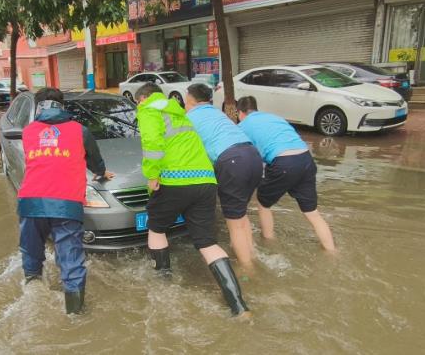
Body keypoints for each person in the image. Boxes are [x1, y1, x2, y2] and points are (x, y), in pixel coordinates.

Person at [135, 82, 250, 317]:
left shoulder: (148, 109)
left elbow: (153, 145)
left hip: (174, 181)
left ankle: (163, 289)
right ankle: (239, 307)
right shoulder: (180, 112)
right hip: (206, 181)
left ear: (142, 98)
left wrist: (152, 175)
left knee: (156, 229)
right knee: (206, 242)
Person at [17, 88, 115, 314]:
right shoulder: (81, 131)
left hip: (30, 202)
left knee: (31, 255)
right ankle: (75, 316)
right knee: (71, 261)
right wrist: (101, 173)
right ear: (62, 105)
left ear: (38, 106)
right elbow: (95, 161)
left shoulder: (28, 131)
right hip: (66, 204)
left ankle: (32, 303)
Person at [236, 96, 336, 251]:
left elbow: (244, 155)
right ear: (256, 109)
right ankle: (332, 251)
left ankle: (269, 242)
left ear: (240, 112)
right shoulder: (275, 118)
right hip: (306, 159)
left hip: (283, 162)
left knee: (263, 203)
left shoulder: (242, 126)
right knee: (312, 212)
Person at [184, 83, 263, 270]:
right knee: (241, 215)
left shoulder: (189, 117)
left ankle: (248, 271)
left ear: (190, 100)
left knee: (233, 224)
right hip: (253, 156)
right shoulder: (217, 114)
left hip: (232, 161)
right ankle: (251, 255)